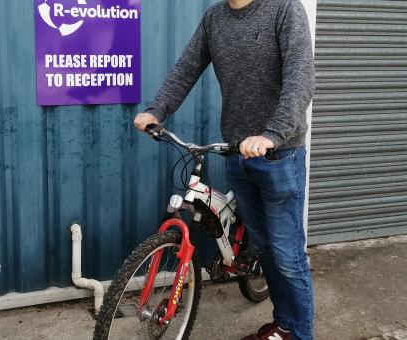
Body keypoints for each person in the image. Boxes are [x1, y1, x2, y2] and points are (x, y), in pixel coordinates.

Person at [134, 0, 315, 338]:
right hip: (237, 154)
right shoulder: (215, 18)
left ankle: (301, 335)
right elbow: (187, 68)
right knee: (264, 249)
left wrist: (272, 134)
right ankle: (284, 326)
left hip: (279, 157)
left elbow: (300, 79)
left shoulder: (284, 8)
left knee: (288, 256)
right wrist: (157, 110)